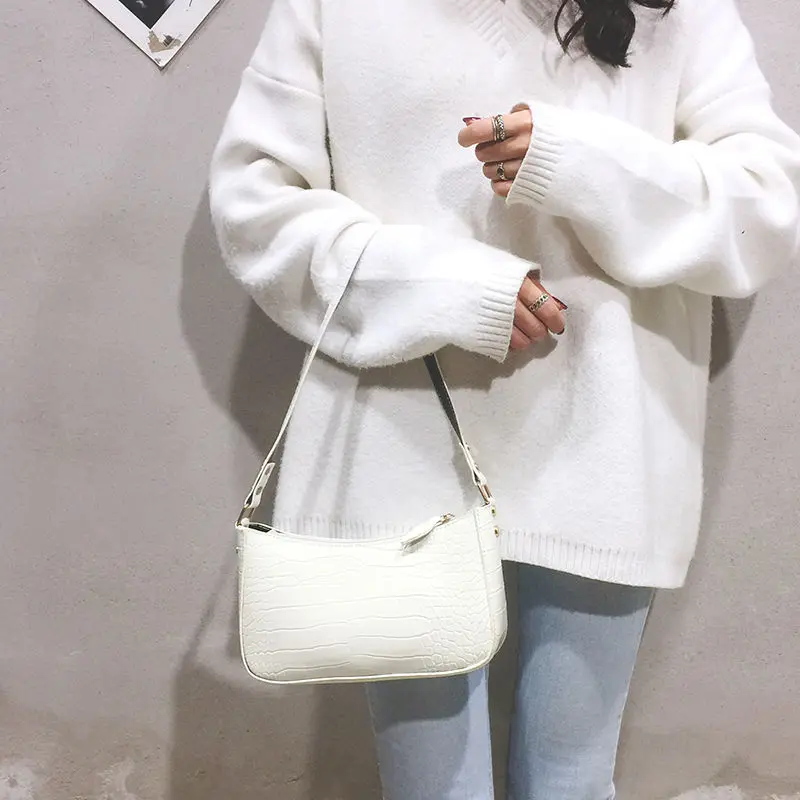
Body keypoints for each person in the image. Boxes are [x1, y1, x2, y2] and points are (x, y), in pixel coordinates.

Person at [208, 0, 800, 797]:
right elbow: (256, 208)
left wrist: (580, 162)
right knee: (432, 790)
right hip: (401, 450)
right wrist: (443, 289)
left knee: (570, 784)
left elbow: (765, 206)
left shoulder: (680, 13)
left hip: (607, 453)